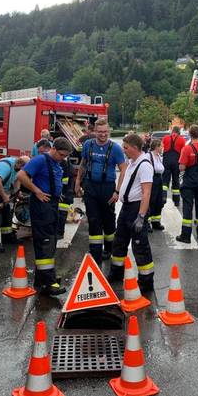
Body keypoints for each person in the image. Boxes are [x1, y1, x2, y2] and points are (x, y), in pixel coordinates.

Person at [17, 137, 73, 295]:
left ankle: (42, 279)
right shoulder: (41, 160)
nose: (63, 159)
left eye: (65, 156)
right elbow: (21, 175)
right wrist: (37, 191)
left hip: (51, 203)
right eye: (61, 155)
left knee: (50, 240)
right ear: (53, 149)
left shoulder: (56, 162)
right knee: (45, 241)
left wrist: (57, 193)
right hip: (42, 206)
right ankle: (48, 282)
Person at [107, 134, 155, 292]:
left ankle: (146, 281)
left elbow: (146, 193)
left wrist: (141, 217)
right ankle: (116, 273)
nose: (123, 150)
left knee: (140, 245)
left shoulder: (144, 165)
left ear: (135, 148)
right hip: (127, 208)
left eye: (126, 147)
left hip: (136, 209)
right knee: (119, 241)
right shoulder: (132, 162)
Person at [75, 118, 126, 265]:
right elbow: (83, 164)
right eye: (100, 132)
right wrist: (77, 182)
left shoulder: (115, 148)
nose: (103, 134)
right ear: (95, 131)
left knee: (108, 220)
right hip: (90, 186)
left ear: (108, 131)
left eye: (105, 132)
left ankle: (109, 249)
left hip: (108, 188)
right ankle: (95, 254)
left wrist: (117, 191)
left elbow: (123, 170)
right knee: (93, 219)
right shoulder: (88, 144)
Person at [0, 156, 30, 252]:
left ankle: (7, 237)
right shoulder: (5, 167)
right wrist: (4, 196)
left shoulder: (18, 167)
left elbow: (17, 179)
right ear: (20, 164)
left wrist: (17, 191)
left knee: (7, 213)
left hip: (1, 188)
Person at [161, 126, 187, 206]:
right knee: (176, 180)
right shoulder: (182, 139)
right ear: (179, 132)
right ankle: (176, 201)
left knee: (165, 179)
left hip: (166, 160)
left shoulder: (165, 138)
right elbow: (183, 152)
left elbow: (162, 148)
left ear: (172, 131)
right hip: (176, 161)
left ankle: (163, 197)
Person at [146, 139, 165, 231]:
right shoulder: (148, 156)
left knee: (158, 202)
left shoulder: (159, 156)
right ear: (157, 147)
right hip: (151, 179)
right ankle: (147, 223)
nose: (162, 148)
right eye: (161, 146)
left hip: (159, 179)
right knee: (151, 201)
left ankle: (156, 222)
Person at [57, 155, 75, 240]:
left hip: (64, 194)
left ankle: (59, 233)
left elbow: (64, 181)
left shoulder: (64, 164)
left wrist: (59, 191)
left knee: (61, 214)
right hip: (66, 193)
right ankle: (59, 232)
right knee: (61, 214)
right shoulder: (67, 164)